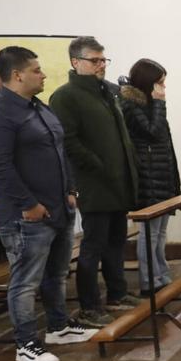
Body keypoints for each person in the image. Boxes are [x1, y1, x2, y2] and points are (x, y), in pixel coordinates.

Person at [0, 47, 95, 361]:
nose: (43, 74)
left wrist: (70, 190)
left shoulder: (37, 107)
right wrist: (29, 204)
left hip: (58, 208)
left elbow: (59, 150)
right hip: (27, 215)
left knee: (57, 272)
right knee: (25, 282)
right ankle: (26, 344)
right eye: (37, 70)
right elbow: (0, 167)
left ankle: (59, 327)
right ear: (17, 75)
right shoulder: (0, 113)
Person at [49, 36, 140, 326]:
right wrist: (98, 165)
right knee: (93, 246)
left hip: (116, 181)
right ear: (76, 62)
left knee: (116, 241)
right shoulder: (66, 96)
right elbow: (69, 141)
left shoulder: (105, 92)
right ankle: (90, 306)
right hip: (94, 183)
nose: (101, 65)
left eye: (103, 60)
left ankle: (117, 293)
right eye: (95, 60)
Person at [119, 59, 181, 294]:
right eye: (160, 83)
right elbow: (153, 132)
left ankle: (161, 273)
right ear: (148, 83)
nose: (163, 89)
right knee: (150, 233)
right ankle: (149, 280)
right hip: (147, 179)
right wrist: (158, 104)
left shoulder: (148, 103)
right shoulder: (131, 105)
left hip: (162, 176)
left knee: (161, 231)